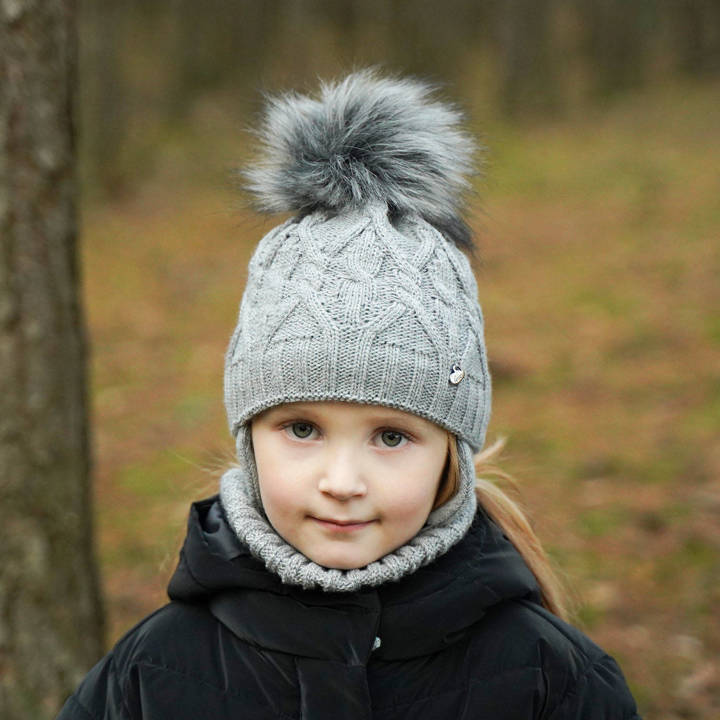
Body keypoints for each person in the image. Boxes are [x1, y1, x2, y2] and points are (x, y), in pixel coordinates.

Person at [57, 69, 641, 719]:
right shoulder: (151, 675)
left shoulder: (550, 679)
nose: (341, 481)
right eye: (301, 429)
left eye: (392, 436)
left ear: (451, 451)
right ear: (248, 439)